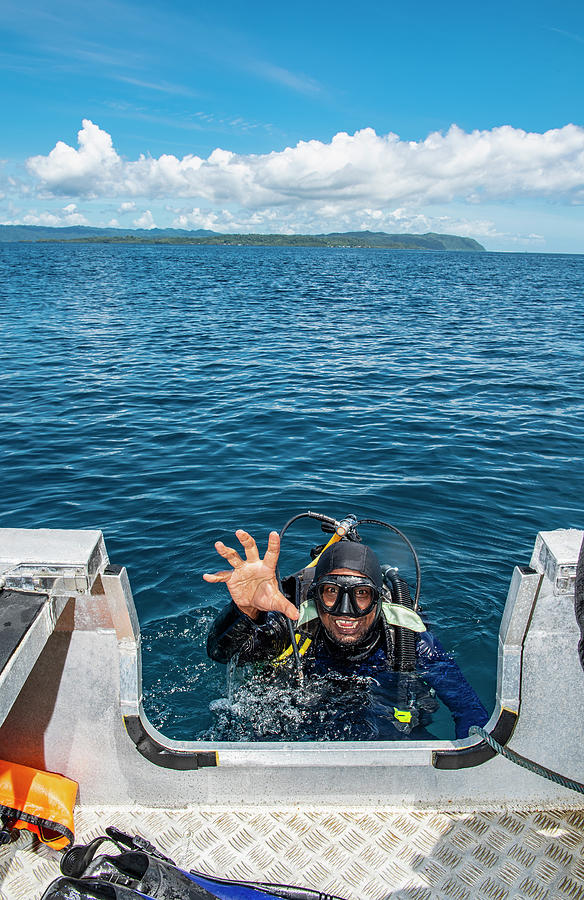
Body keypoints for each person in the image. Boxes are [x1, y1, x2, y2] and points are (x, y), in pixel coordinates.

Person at [205, 528, 488, 739]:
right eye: (331, 593)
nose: (345, 612)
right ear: (315, 597)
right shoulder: (296, 628)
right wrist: (245, 611)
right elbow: (220, 652)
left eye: (361, 595)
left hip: (385, 719)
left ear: (379, 600)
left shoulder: (409, 643)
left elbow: (468, 710)